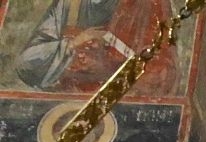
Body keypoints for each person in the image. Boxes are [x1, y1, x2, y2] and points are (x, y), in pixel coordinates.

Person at [18, 0, 178, 94]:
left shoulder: (149, 4)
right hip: (65, 103)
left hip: (121, 107)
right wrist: (73, 44)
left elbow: (162, 76)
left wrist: (108, 70)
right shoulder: (70, 4)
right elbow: (26, 63)